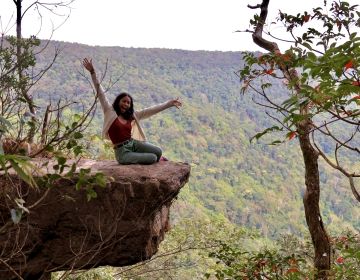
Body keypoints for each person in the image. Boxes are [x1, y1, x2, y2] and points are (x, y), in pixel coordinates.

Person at [82, 58, 182, 164]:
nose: (126, 104)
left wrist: (168, 104)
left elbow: (151, 110)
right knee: (152, 158)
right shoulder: (109, 111)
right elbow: (100, 92)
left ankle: (152, 157)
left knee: (158, 151)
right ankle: (148, 158)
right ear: (118, 101)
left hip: (133, 144)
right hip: (122, 152)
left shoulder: (131, 115)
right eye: (123, 101)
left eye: (128, 103)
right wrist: (93, 72)